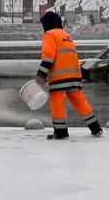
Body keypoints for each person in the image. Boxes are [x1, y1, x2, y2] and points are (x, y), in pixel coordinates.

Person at [35, 10, 103, 140]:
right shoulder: (66, 35)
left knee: (57, 103)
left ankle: (60, 132)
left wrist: (41, 75)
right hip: (74, 75)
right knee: (80, 102)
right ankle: (95, 127)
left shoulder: (50, 35)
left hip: (59, 77)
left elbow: (48, 58)